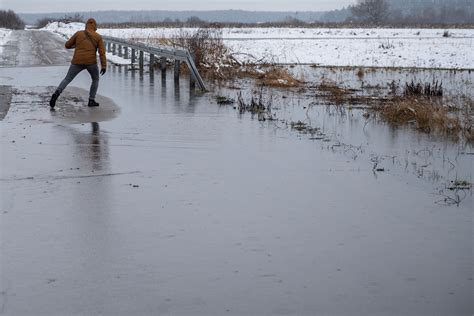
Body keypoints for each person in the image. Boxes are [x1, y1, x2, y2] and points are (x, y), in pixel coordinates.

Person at [50, 18, 107, 109]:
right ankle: (91, 100)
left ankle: (57, 93)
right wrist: (104, 66)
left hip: (77, 61)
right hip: (91, 62)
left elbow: (67, 45)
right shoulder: (98, 37)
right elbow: (102, 53)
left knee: (67, 79)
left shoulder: (78, 34)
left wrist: (77, 45)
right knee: (95, 79)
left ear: (86, 25)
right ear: (95, 26)